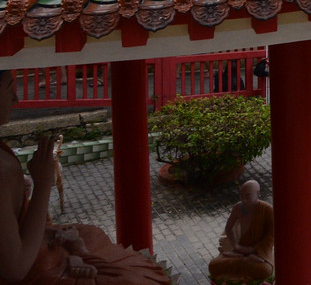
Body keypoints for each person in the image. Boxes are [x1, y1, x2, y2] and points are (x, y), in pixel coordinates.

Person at [0, 71, 169, 284]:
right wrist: (43, 185)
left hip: (40, 253)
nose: (16, 98)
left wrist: (50, 232)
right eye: (9, 89)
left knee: (91, 235)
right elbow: (14, 268)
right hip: (38, 270)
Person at [208, 181, 274, 283]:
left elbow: (271, 235)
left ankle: (245, 262)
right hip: (240, 252)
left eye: (248, 195)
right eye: (241, 195)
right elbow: (228, 228)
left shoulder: (267, 210)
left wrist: (254, 250)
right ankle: (243, 261)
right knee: (213, 265)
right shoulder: (238, 207)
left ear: (257, 193)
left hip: (259, 253)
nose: (243, 199)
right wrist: (236, 247)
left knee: (265, 270)